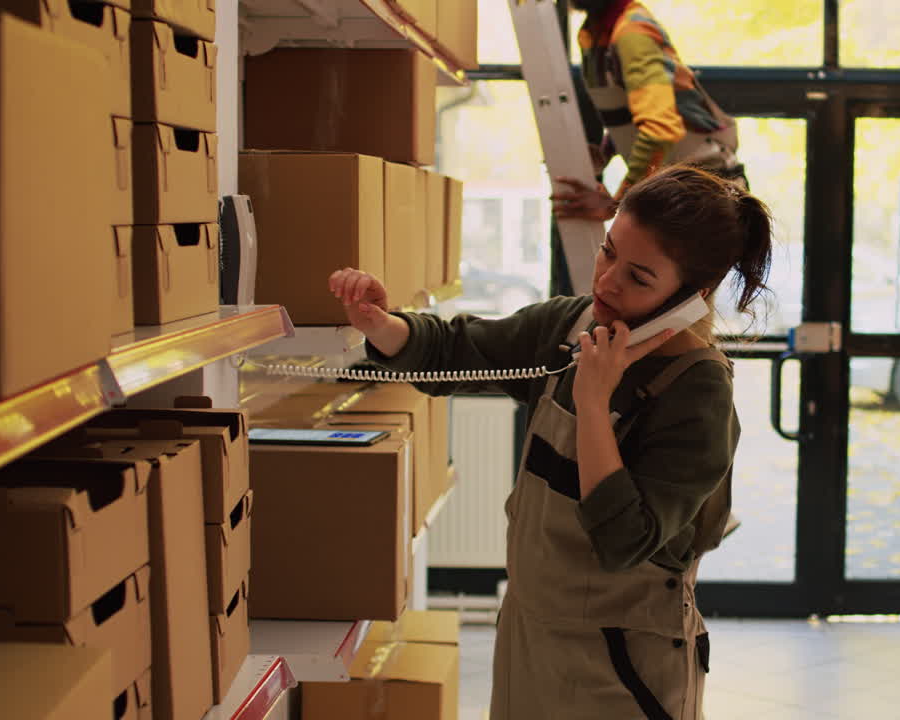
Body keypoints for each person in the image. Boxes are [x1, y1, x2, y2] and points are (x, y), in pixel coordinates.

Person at [328, 165, 772, 720]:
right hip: (531, 636)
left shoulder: (697, 390)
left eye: (638, 278)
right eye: (608, 252)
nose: (606, 282)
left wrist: (593, 404)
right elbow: (458, 351)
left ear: (692, 297)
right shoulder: (571, 326)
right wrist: (379, 323)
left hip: (624, 663)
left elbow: (624, 540)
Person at [552, 0, 746, 224]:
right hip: (675, 189)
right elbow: (636, 110)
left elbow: (660, 128)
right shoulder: (595, 33)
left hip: (706, 197)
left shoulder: (632, 34)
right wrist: (606, 151)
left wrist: (617, 204)